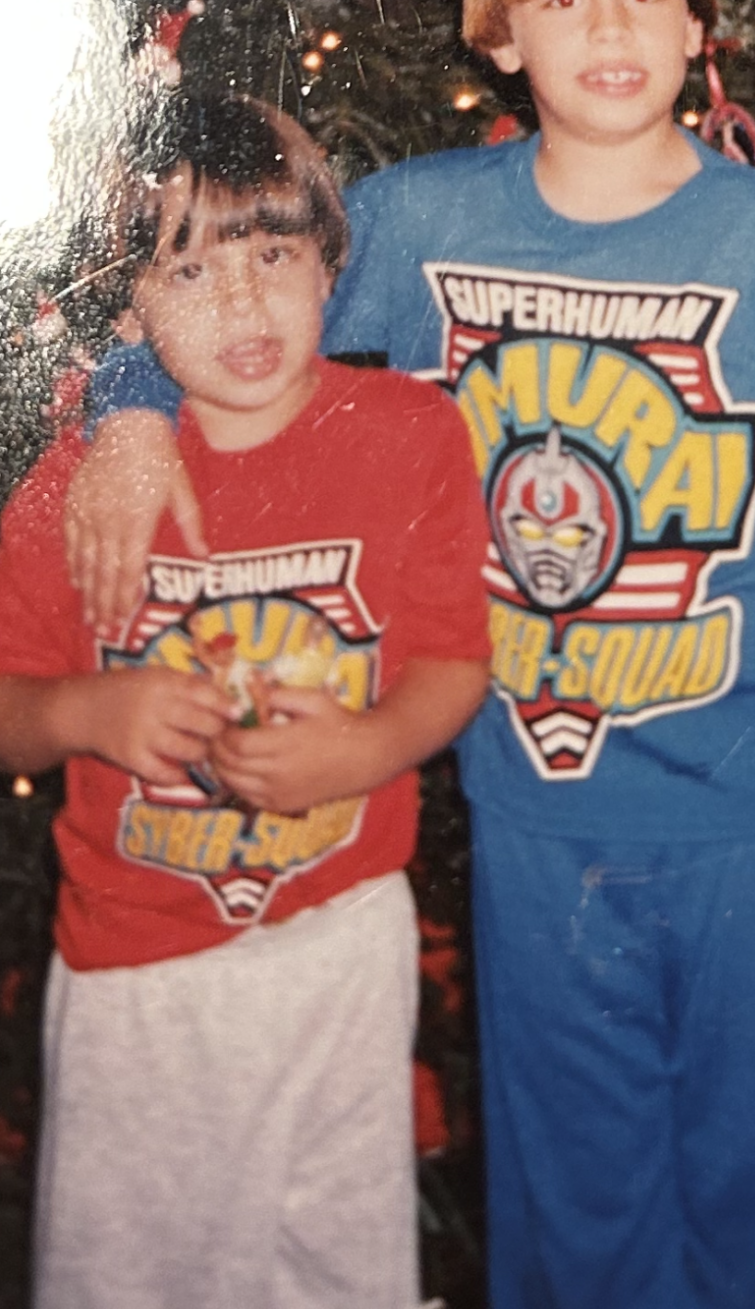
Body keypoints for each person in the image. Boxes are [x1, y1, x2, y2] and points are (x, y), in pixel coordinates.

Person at [67, 0, 755, 1309]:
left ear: (695, 23)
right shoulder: (422, 220)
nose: (611, 27)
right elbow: (239, 302)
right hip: (536, 811)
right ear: (502, 33)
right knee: (573, 1194)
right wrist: (123, 406)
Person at [0, 93, 490, 1309]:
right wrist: (86, 715)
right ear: (129, 310)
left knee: (338, 1261)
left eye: (273, 255)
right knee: (133, 1273)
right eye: (190, 268)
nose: (242, 303)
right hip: (139, 969)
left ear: (331, 261)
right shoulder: (83, 483)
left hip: (343, 942)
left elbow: (452, 659)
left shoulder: (413, 434)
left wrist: (369, 747)